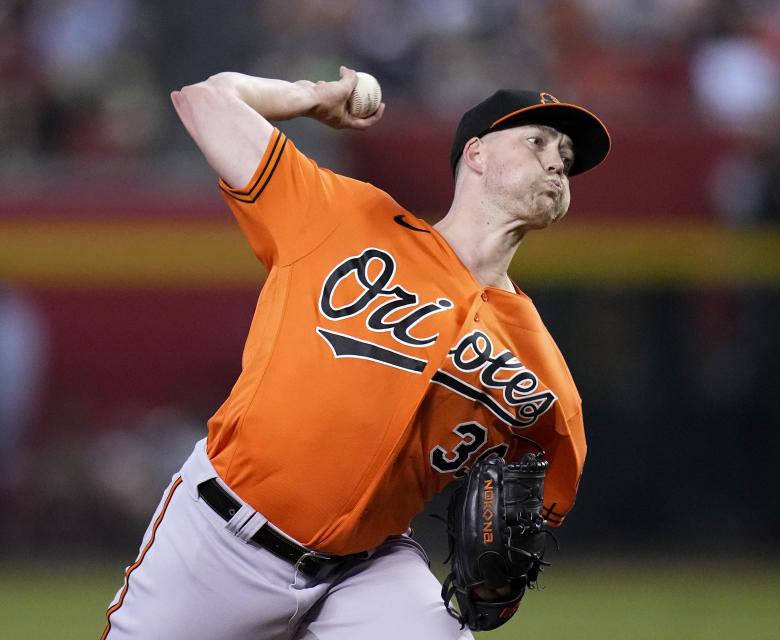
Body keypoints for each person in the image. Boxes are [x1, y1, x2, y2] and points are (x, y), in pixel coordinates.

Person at [101, 66, 610, 640]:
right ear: (476, 155)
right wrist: (312, 98)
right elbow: (204, 100)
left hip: (369, 570)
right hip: (222, 541)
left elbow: (528, 533)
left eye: (566, 158)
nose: (556, 164)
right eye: (537, 142)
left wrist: (499, 586)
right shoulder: (344, 217)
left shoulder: (541, 376)